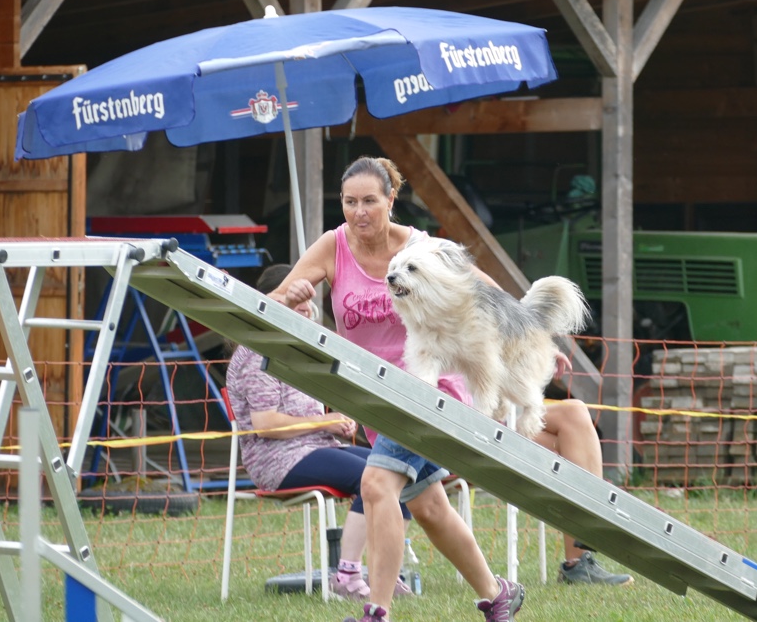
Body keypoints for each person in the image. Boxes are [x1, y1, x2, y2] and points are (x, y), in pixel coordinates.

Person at [269, 156, 628, 621]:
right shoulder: (332, 247)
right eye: (349, 202)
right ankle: (497, 595)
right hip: (375, 399)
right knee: (430, 508)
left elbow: (492, 298)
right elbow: (274, 301)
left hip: (432, 388)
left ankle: (376, 611)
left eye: (369, 201)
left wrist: (534, 341)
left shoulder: (426, 250)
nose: (359, 212)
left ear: (391, 200)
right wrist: (291, 296)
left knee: (376, 485)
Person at [226, 263, 413, 601]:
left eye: (307, 300)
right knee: (373, 479)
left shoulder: (297, 347)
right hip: (277, 460)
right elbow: (265, 424)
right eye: (296, 300)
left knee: (399, 471)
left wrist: (336, 422)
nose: (305, 307)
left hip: (317, 446)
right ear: (272, 299)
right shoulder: (257, 352)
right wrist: (326, 423)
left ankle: (384, 574)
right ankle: (349, 577)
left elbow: (308, 416)